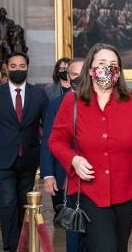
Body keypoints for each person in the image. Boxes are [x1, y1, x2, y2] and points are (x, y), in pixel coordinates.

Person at [49, 43, 132, 252]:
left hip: (126, 192)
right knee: (105, 246)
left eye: (113, 64)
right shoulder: (73, 102)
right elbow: (56, 141)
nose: (108, 68)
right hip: (89, 191)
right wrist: (74, 160)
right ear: (90, 69)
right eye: (102, 63)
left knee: (119, 246)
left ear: (120, 71)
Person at [0, 52, 48, 252]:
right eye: (14, 66)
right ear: (6, 68)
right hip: (1, 158)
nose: (18, 69)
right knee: (7, 201)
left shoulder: (38, 94)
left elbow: (48, 128)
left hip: (29, 158)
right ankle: (11, 246)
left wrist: (47, 160)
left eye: (22, 65)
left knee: (23, 201)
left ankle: (21, 242)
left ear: (27, 67)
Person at [41, 58, 85, 252]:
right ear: (68, 76)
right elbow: (49, 141)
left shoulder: (102, 101)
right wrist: (48, 174)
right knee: (72, 226)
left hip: (95, 175)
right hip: (65, 174)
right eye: (74, 74)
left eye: (82, 73)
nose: (78, 78)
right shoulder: (57, 103)